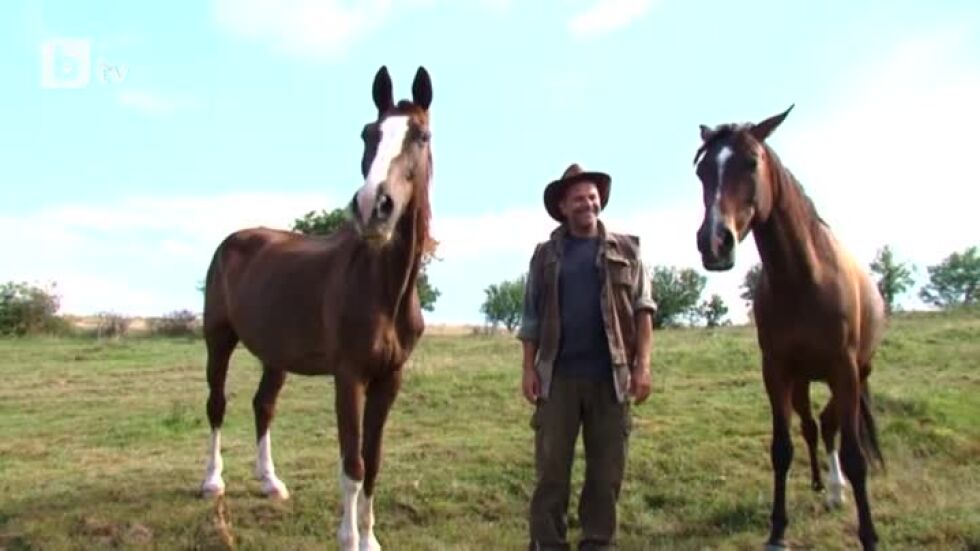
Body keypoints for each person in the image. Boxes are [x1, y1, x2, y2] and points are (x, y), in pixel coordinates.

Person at [518, 163, 656, 551]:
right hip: (557, 378)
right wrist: (528, 368)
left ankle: (598, 543)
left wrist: (642, 366)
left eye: (592, 196)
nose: (587, 203)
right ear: (563, 206)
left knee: (606, 472)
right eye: (578, 197)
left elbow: (645, 308)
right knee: (550, 472)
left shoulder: (628, 249)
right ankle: (547, 543)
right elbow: (530, 316)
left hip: (611, 379)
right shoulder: (544, 256)